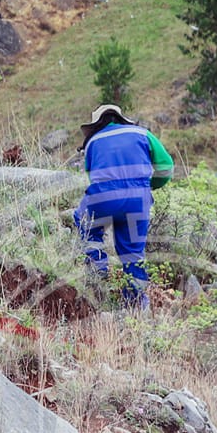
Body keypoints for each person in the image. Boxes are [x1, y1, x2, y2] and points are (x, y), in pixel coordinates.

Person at [76, 103, 172, 305]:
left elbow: (92, 177)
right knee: (133, 253)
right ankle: (137, 305)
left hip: (104, 196)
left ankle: (97, 270)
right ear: (121, 119)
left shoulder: (93, 141)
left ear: (96, 124)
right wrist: (148, 185)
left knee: (83, 220)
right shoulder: (143, 133)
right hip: (138, 200)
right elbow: (166, 167)